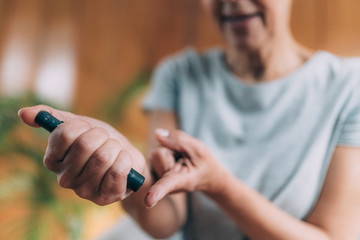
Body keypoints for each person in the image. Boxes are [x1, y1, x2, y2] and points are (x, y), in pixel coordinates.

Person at [18, 0, 360, 239]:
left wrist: (220, 186)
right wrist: (126, 166)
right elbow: (167, 218)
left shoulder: (350, 86)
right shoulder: (179, 74)